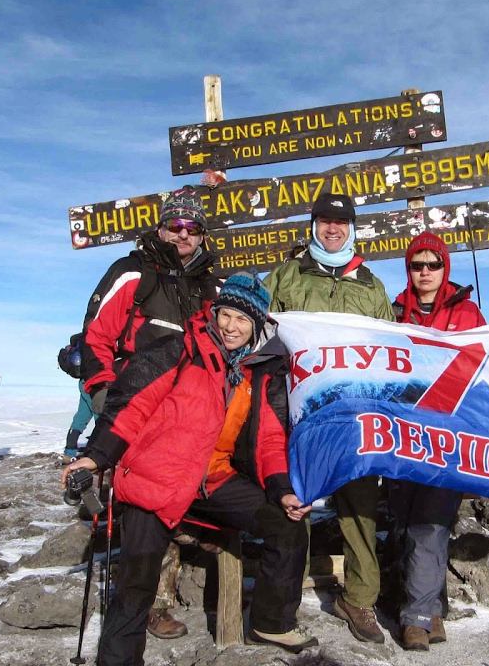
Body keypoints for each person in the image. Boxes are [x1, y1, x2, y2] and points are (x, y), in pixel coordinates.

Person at [61, 273, 318, 663]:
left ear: (257, 325)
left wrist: (282, 489)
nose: (232, 326)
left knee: (286, 523)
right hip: (157, 479)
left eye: (243, 319)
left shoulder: (257, 372)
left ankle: (272, 620)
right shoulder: (177, 349)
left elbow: (268, 439)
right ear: (214, 313)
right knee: (136, 585)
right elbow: (133, 406)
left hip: (212, 482)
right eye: (226, 314)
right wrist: (97, 456)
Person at [78, 187, 219, 636]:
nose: (183, 234)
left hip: (188, 414)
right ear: (161, 227)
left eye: (192, 227)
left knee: (177, 496)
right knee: (143, 507)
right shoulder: (132, 271)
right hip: (137, 408)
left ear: (201, 233)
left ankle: (172, 586)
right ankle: (147, 604)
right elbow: (95, 338)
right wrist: (104, 394)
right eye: (175, 225)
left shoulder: (209, 284)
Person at [263, 191, 393, 644]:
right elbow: (257, 331)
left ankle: (358, 600)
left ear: (352, 228)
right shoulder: (286, 275)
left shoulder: (371, 286)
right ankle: (279, 609)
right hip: (295, 410)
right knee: (290, 500)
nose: (331, 229)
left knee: (360, 507)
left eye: (340, 222)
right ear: (313, 225)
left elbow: (391, 351)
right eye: (323, 221)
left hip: (354, 414)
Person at [387, 232, 486, 651]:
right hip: (400, 436)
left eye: (433, 264)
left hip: (448, 437)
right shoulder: (392, 313)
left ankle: (414, 618)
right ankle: (433, 608)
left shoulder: (467, 313)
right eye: (416, 265)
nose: (425, 272)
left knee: (430, 522)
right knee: (406, 521)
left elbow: (486, 365)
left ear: (446, 268)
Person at [63, 380, 95, 460]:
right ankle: (101, 452)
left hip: (85, 383)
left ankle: (69, 453)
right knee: (103, 420)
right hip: (97, 385)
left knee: (81, 418)